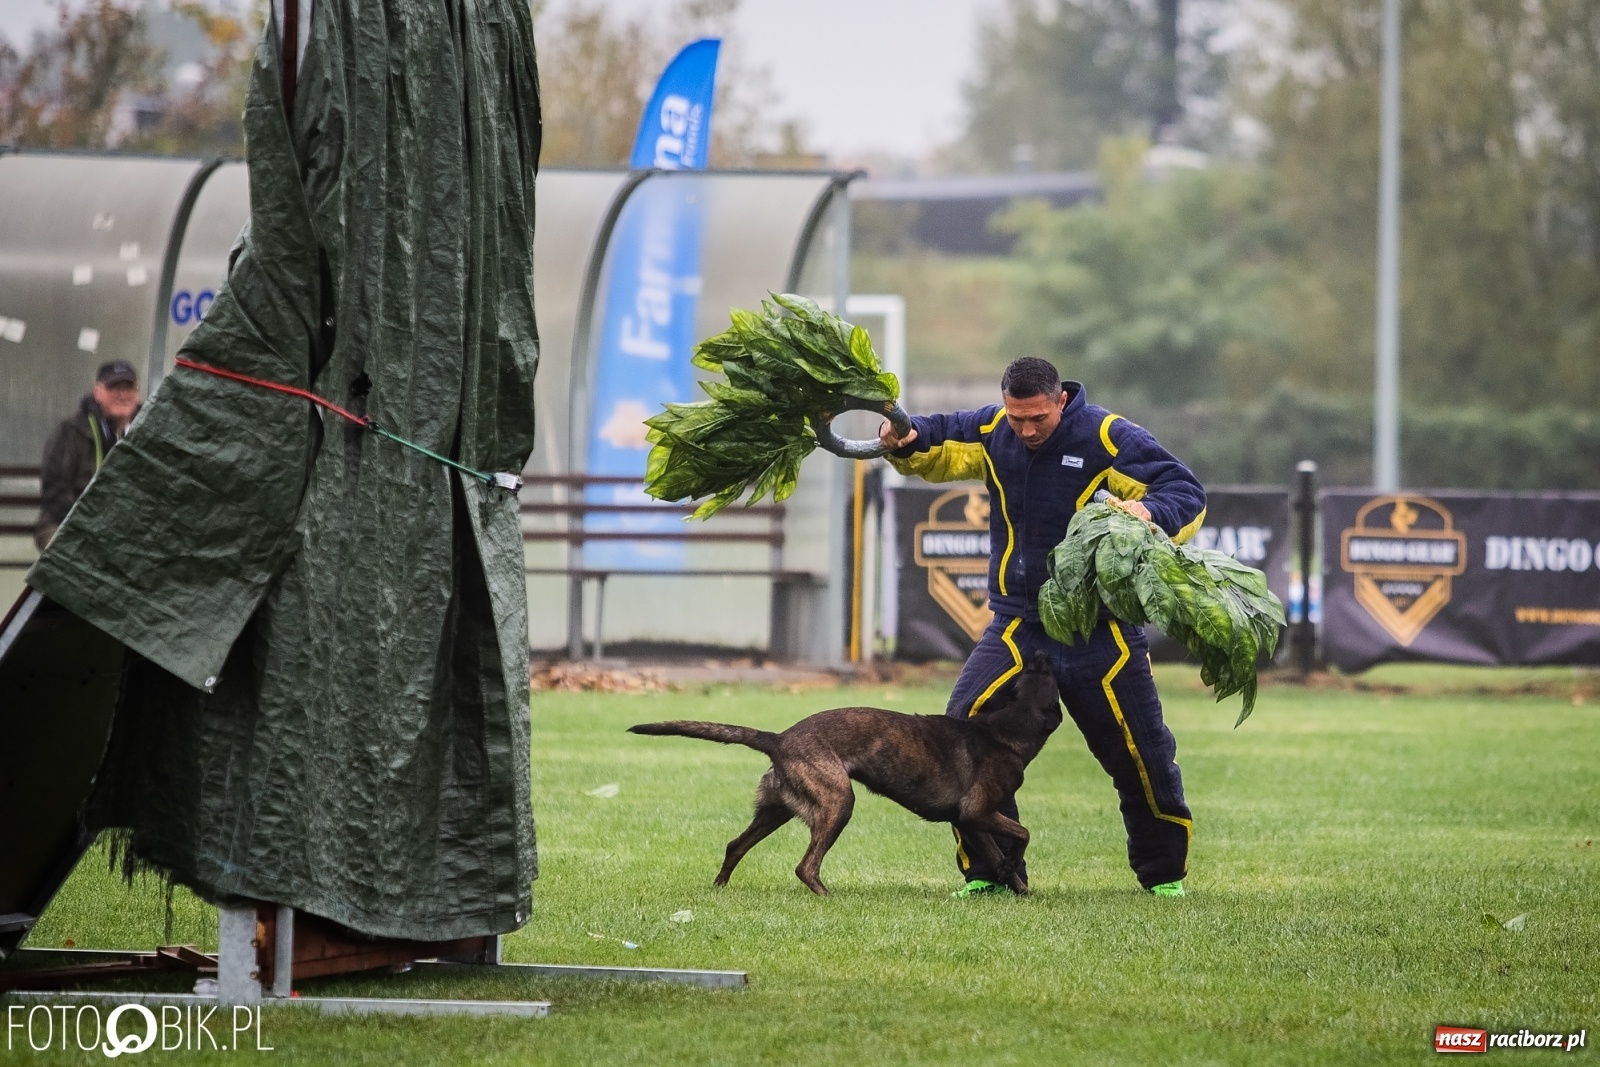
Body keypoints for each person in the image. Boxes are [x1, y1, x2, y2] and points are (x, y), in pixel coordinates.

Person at [879, 356, 1206, 898]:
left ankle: (1164, 875)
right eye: (1016, 419)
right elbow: (934, 440)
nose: (1026, 431)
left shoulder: (1107, 435)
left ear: (1060, 401)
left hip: (1100, 630)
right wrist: (906, 437)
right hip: (1017, 625)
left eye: (1038, 419)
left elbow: (1185, 492)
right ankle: (991, 872)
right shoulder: (992, 430)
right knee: (961, 734)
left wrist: (1150, 514)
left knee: (1140, 754)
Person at [35, 360, 142, 549]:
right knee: (70, 553)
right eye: (114, 388)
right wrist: (89, 526)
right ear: (98, 392)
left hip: (131, 527)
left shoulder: (148, 431)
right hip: (68, 523)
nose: (123, 395)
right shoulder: (71, 431)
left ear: (137, 394)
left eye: (128, 388)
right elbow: (55, 490)